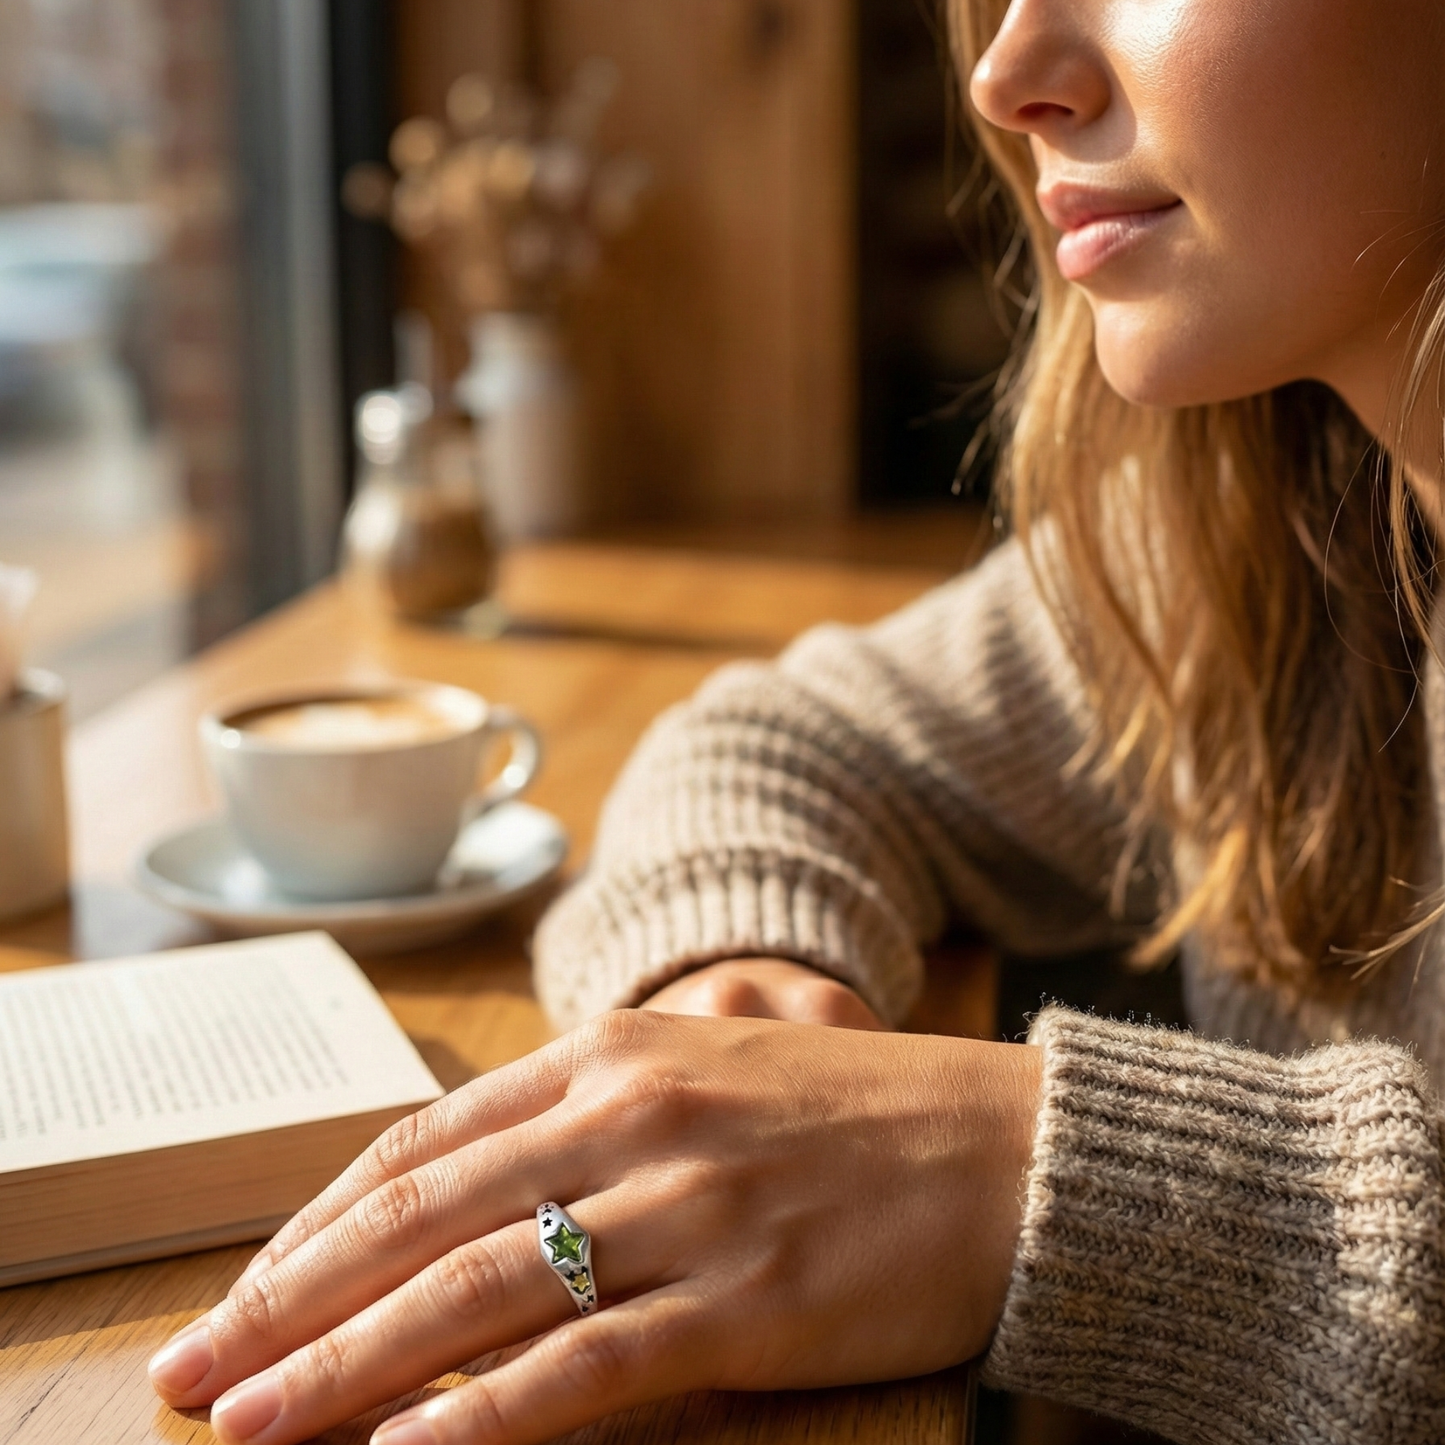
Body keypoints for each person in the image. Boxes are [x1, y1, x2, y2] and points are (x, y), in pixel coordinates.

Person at [149, 0, 1445, 1441]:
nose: (1009, 77)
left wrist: (1035, 1184)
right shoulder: (1269, 529)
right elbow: (792, 736)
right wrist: (745, 982)